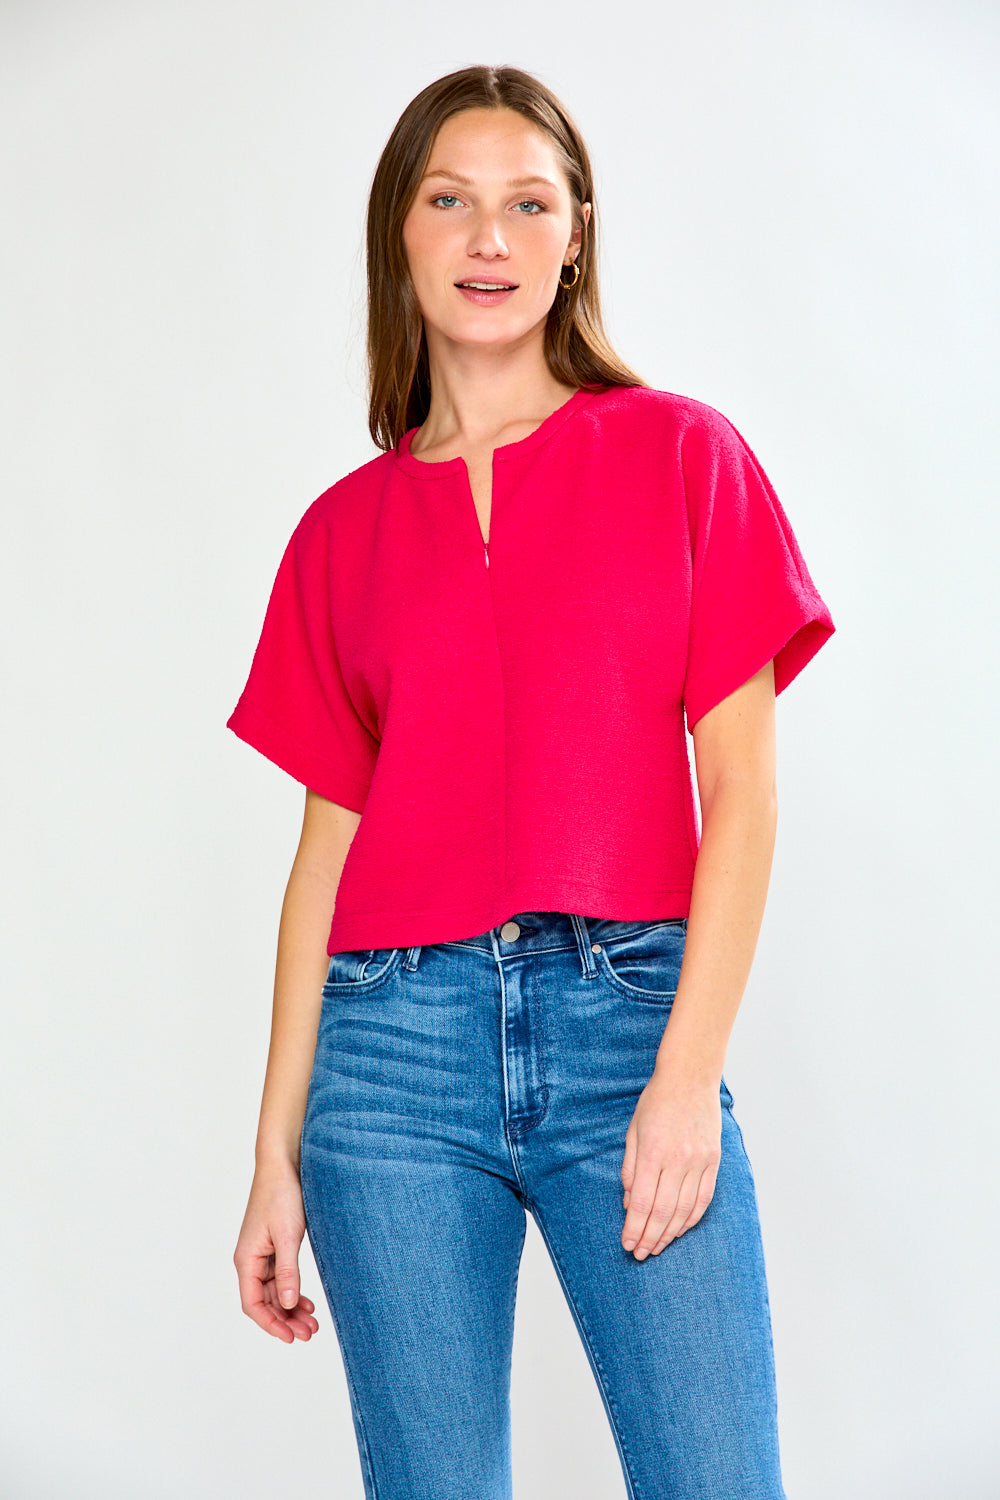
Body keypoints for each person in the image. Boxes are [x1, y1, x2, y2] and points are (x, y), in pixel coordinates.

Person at [228, 63, 834, 1500]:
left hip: (628, 1024)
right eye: (450, 200)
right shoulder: (341, 534)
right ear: (402, 237)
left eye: (526, 203)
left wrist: (686, 1078)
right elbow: (325, 854)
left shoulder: (686, 458)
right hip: (387, 1066)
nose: (487, 236)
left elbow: (740, 791)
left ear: (575, 241)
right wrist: (272, 1155)